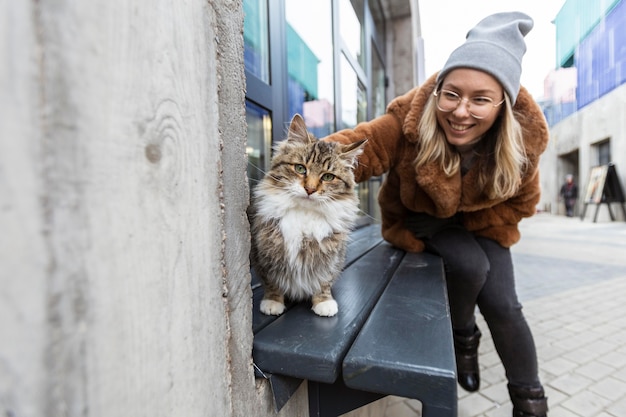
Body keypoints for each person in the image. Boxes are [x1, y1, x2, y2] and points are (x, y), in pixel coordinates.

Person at [323, 12, 549, 417]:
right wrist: (302, 166)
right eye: (452, 94)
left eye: (480, 99)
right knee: (467, 264)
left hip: (486, 226)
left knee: (503, 303)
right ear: (438, 90)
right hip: (417, 221)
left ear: (502, 105)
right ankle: (463, 338)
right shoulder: (410, 119)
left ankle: (531, 405)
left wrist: (462, 219)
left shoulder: (524, 142)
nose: (461, 112)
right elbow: (362, 147)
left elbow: (523, 204)